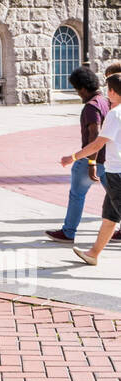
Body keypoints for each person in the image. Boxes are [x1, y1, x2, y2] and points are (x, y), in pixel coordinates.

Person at [48, 67, 121, 244]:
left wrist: (90, 163)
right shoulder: (105, 101)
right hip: (109, 160)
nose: (78, 93)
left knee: (77, 195)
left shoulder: (91, 107)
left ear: (82, 88)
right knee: (113, 199)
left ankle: (69, 232)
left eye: (77, 89)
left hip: (93, 160)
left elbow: (94, 137)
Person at [63, 74, 121, 266]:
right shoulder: (113, 110)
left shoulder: (115, 114)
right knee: (109, 218)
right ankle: (94, 253)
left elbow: (97, 144)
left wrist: (72, 157)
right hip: (115, 171)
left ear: (112, 91)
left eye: (108, 89)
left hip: (116, 173)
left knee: (112, 216)